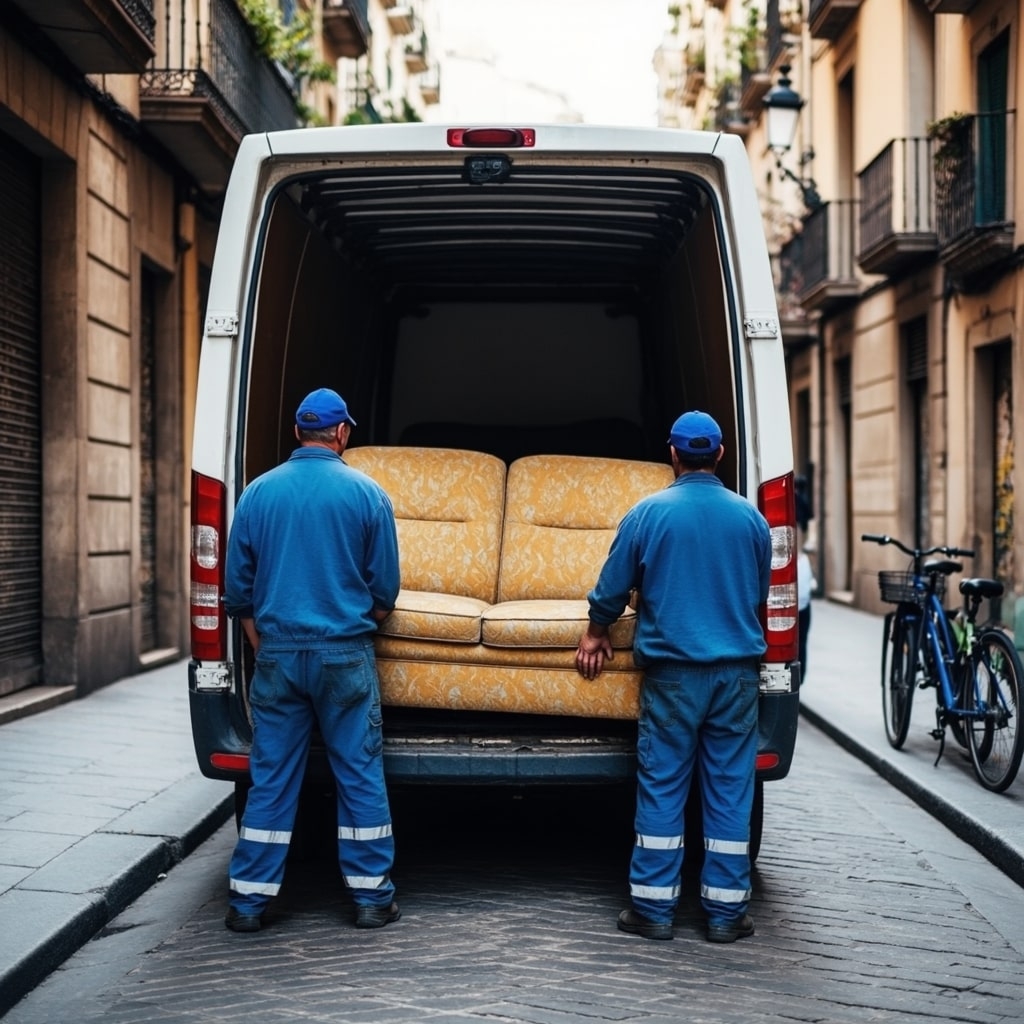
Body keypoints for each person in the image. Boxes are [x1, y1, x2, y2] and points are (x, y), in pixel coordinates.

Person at [575, 410, 771, 944]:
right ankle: (727, 915)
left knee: (663, 787)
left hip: (673, 677)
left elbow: (612, 589)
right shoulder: (752, 520)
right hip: (735, 677)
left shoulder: (648, 514)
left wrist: (595, 633)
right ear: (722, 455)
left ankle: (654, 910)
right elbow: (758, 597)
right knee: (731, 792)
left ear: (673, 454)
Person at [222, 387, 402, 933]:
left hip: (276, 653)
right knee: (359, 774)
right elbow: (384, 592)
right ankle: (372, 898)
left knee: (271, 778)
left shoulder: (256, 494)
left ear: (298, 432)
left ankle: (249, 903)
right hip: (344, 654)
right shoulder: (368, 494)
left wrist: (264, 648)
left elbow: (237, 593)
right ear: (342, 433)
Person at [797, 548, 816, 682]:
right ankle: (799, 677)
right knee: (801, 642)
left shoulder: (805, 559)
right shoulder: (804, 559)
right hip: (801, 606)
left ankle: (800, 677)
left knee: (801, 642)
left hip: (803, 607)